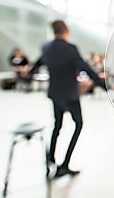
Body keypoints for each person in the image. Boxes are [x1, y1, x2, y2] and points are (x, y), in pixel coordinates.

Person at [30, 20, 106, 178]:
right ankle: (64, 165)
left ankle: (50, 160)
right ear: (66, 31)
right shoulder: (70, 49)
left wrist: (27, 75)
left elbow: (37, 64)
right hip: (70, 95)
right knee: (78, 124)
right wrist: (104, 85)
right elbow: (86, 69)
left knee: (57, 126)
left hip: (55, 94)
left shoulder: (46, 47)